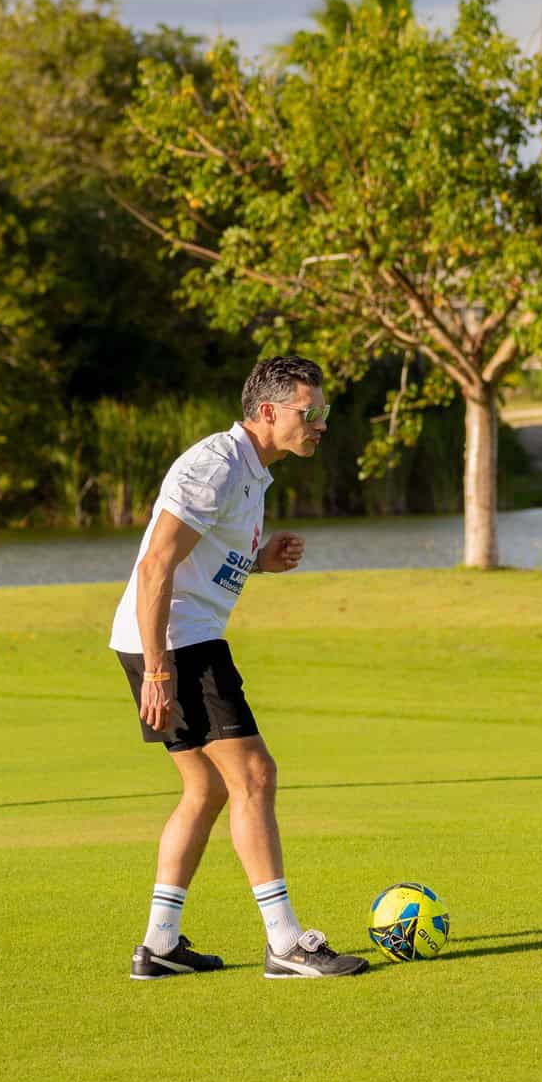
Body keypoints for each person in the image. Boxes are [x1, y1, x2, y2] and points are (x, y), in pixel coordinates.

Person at [111, 355, 369, 980]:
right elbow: (154, 569)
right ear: (269, 411)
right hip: (177, 643)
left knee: (207, 788)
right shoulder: (215, 466)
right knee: (254, 774)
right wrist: (157, 670)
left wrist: (259, 561)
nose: (320, 425)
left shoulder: (251, 473)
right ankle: (284, 943)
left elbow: (200, 554)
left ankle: (161, 945)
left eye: (323, 414)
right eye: (311, 413)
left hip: (170, 641)